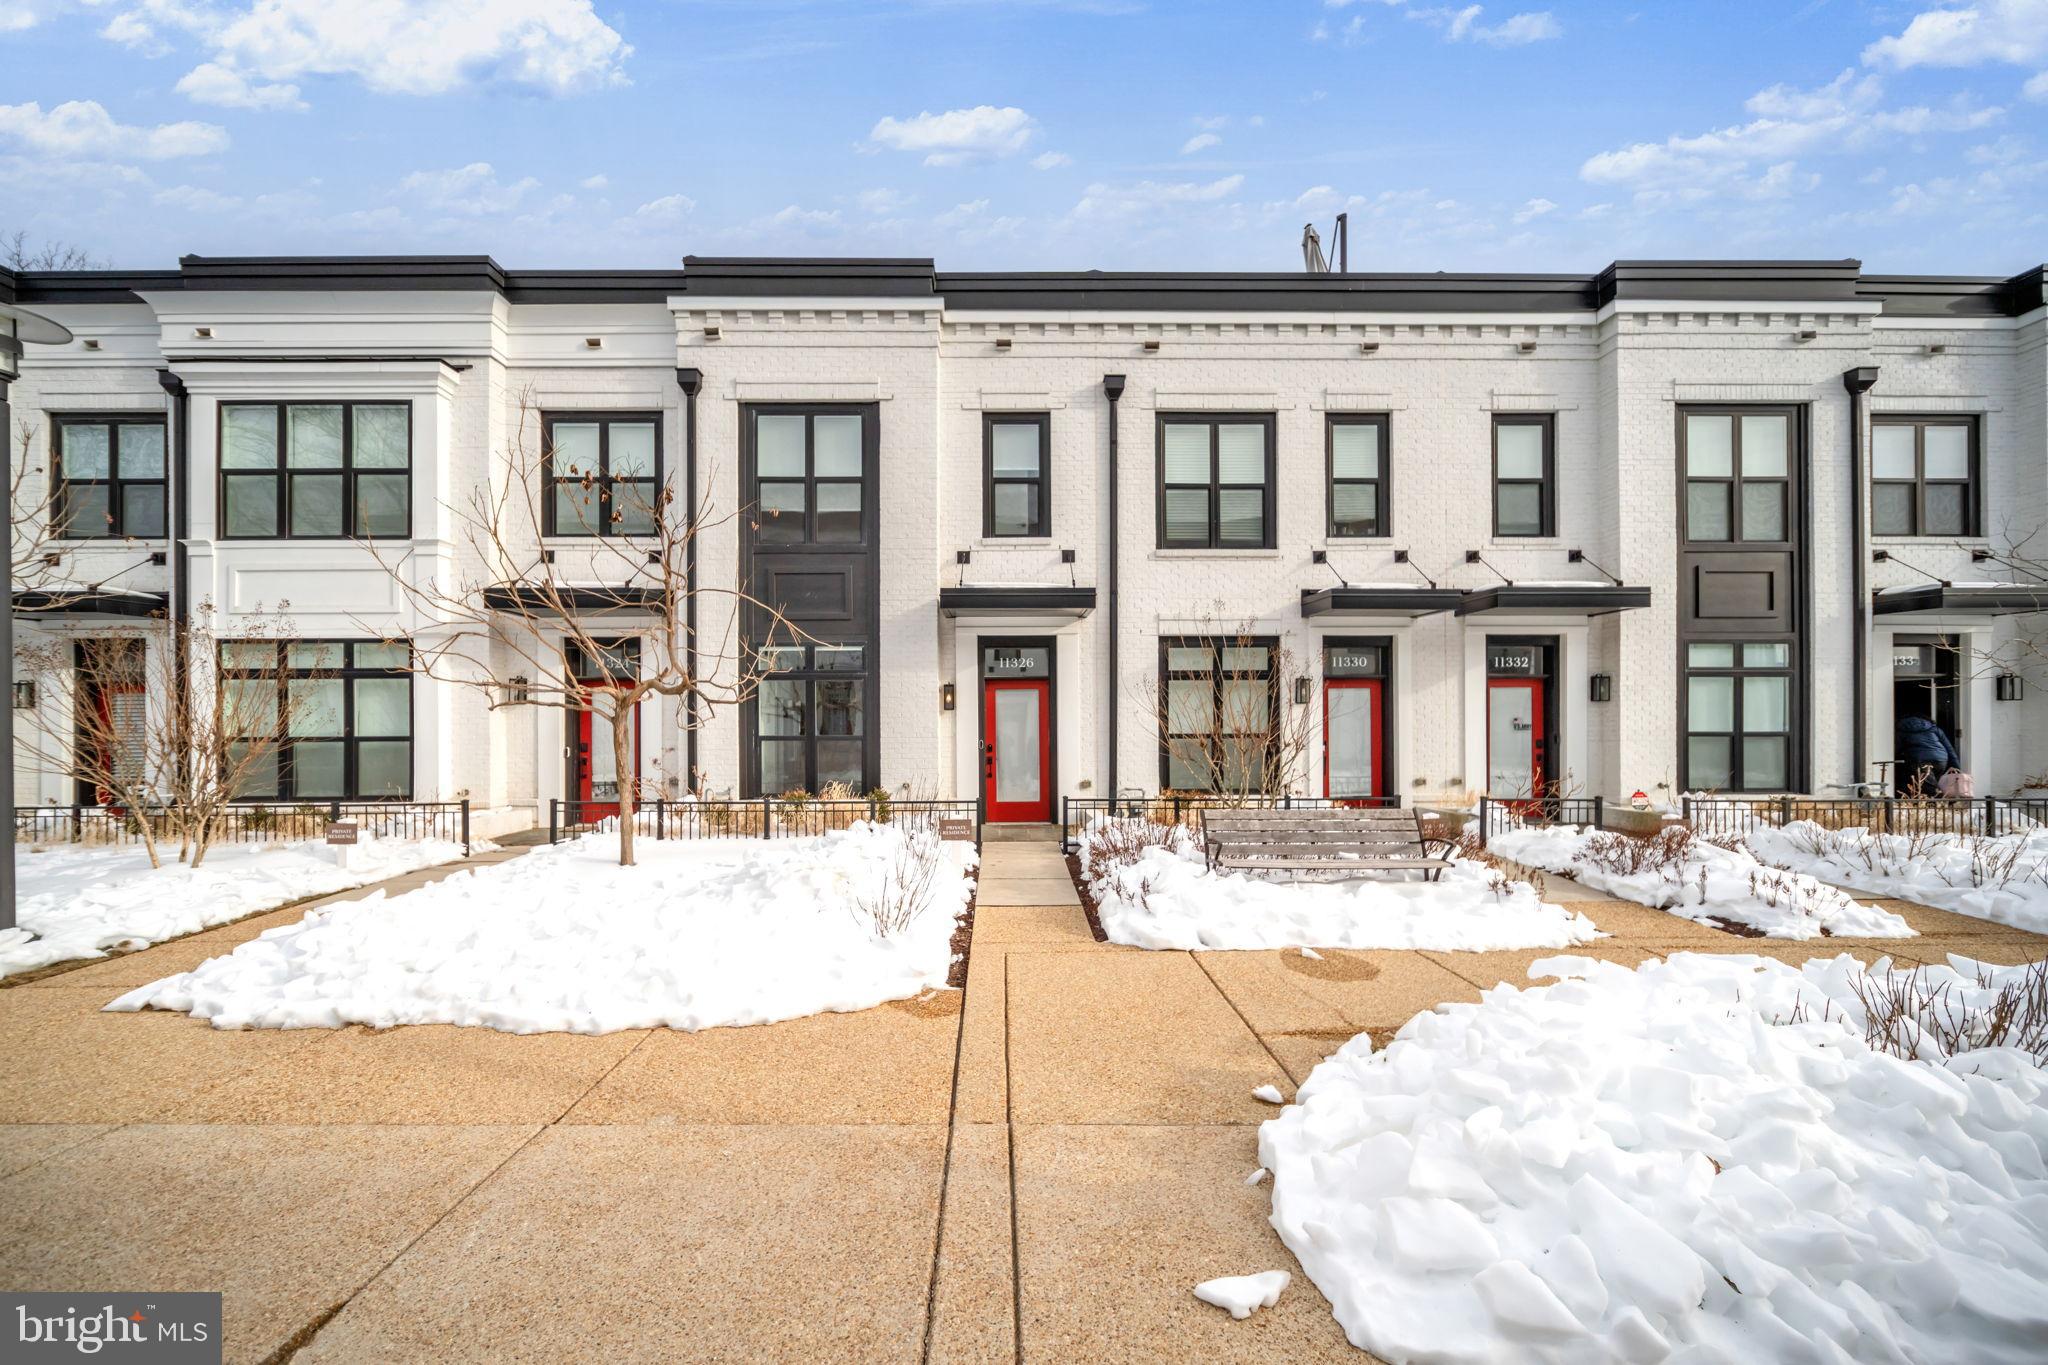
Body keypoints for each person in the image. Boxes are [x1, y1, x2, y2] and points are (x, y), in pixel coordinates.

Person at [1895, 714, 1961, 795]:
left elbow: (1897, 748)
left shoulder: (1902, 730)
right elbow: (1950, 749)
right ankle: (1934, 799)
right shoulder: (1934, 728)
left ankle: (1941, 800)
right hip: (1940, 760)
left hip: (1920, 760)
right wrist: (1957, 767)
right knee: (1930, 784)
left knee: (1930, 787)